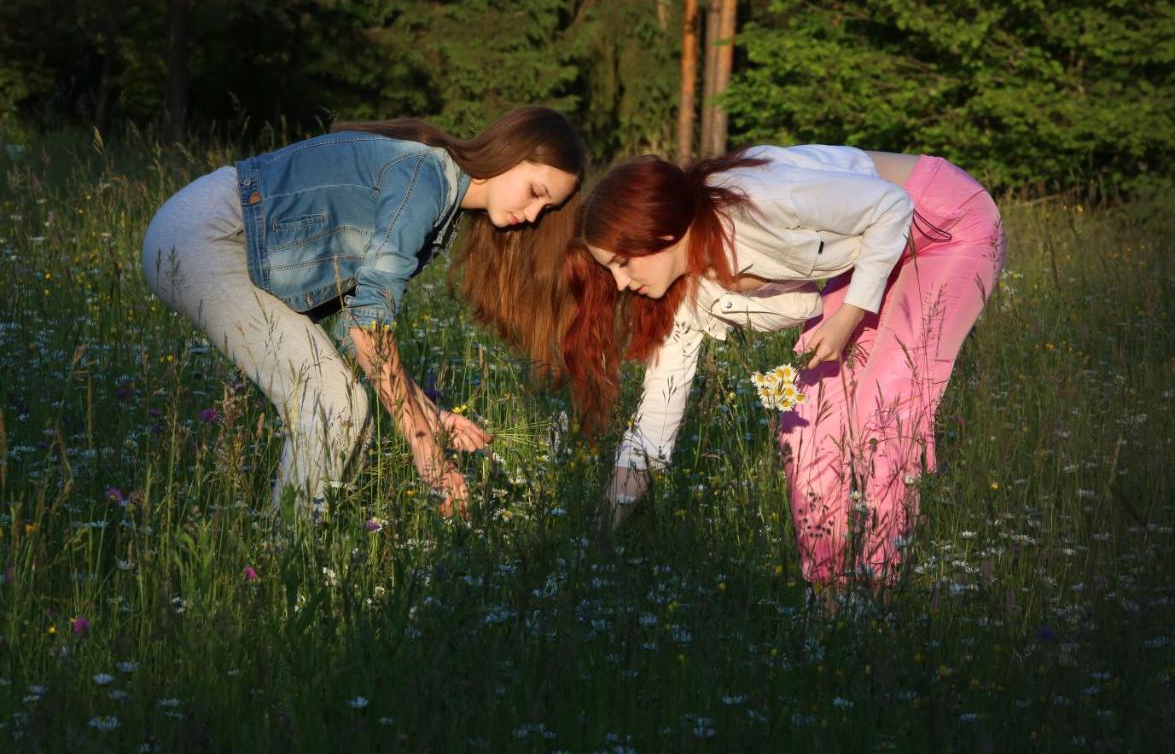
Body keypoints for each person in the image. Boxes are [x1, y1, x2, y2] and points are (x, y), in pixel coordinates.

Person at [561, 145, 1005, 598]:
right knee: (806, 426)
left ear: (660, 230)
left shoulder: (757, 200)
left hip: (945, 224)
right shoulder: (683, 298)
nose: (618, 283)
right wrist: (599, 534)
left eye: (621, 262)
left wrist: (848, 317)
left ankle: (878, 595)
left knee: (882, 408)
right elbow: (654, 426)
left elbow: (891, 206)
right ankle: (829, 597)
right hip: (872, 254)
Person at [142, 107, 586, 516]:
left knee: (345, 410)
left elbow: (359, 321)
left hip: (227, 235)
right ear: (510, 152)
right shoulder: (425, 179)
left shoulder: (438, 193)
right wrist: (426, 450)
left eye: (545, 208)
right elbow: (368, 325)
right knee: (334, 404)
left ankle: (295, 552)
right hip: (212, 232)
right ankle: (281, 560)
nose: (531, 216)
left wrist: (429, 413)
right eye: (535, 192)